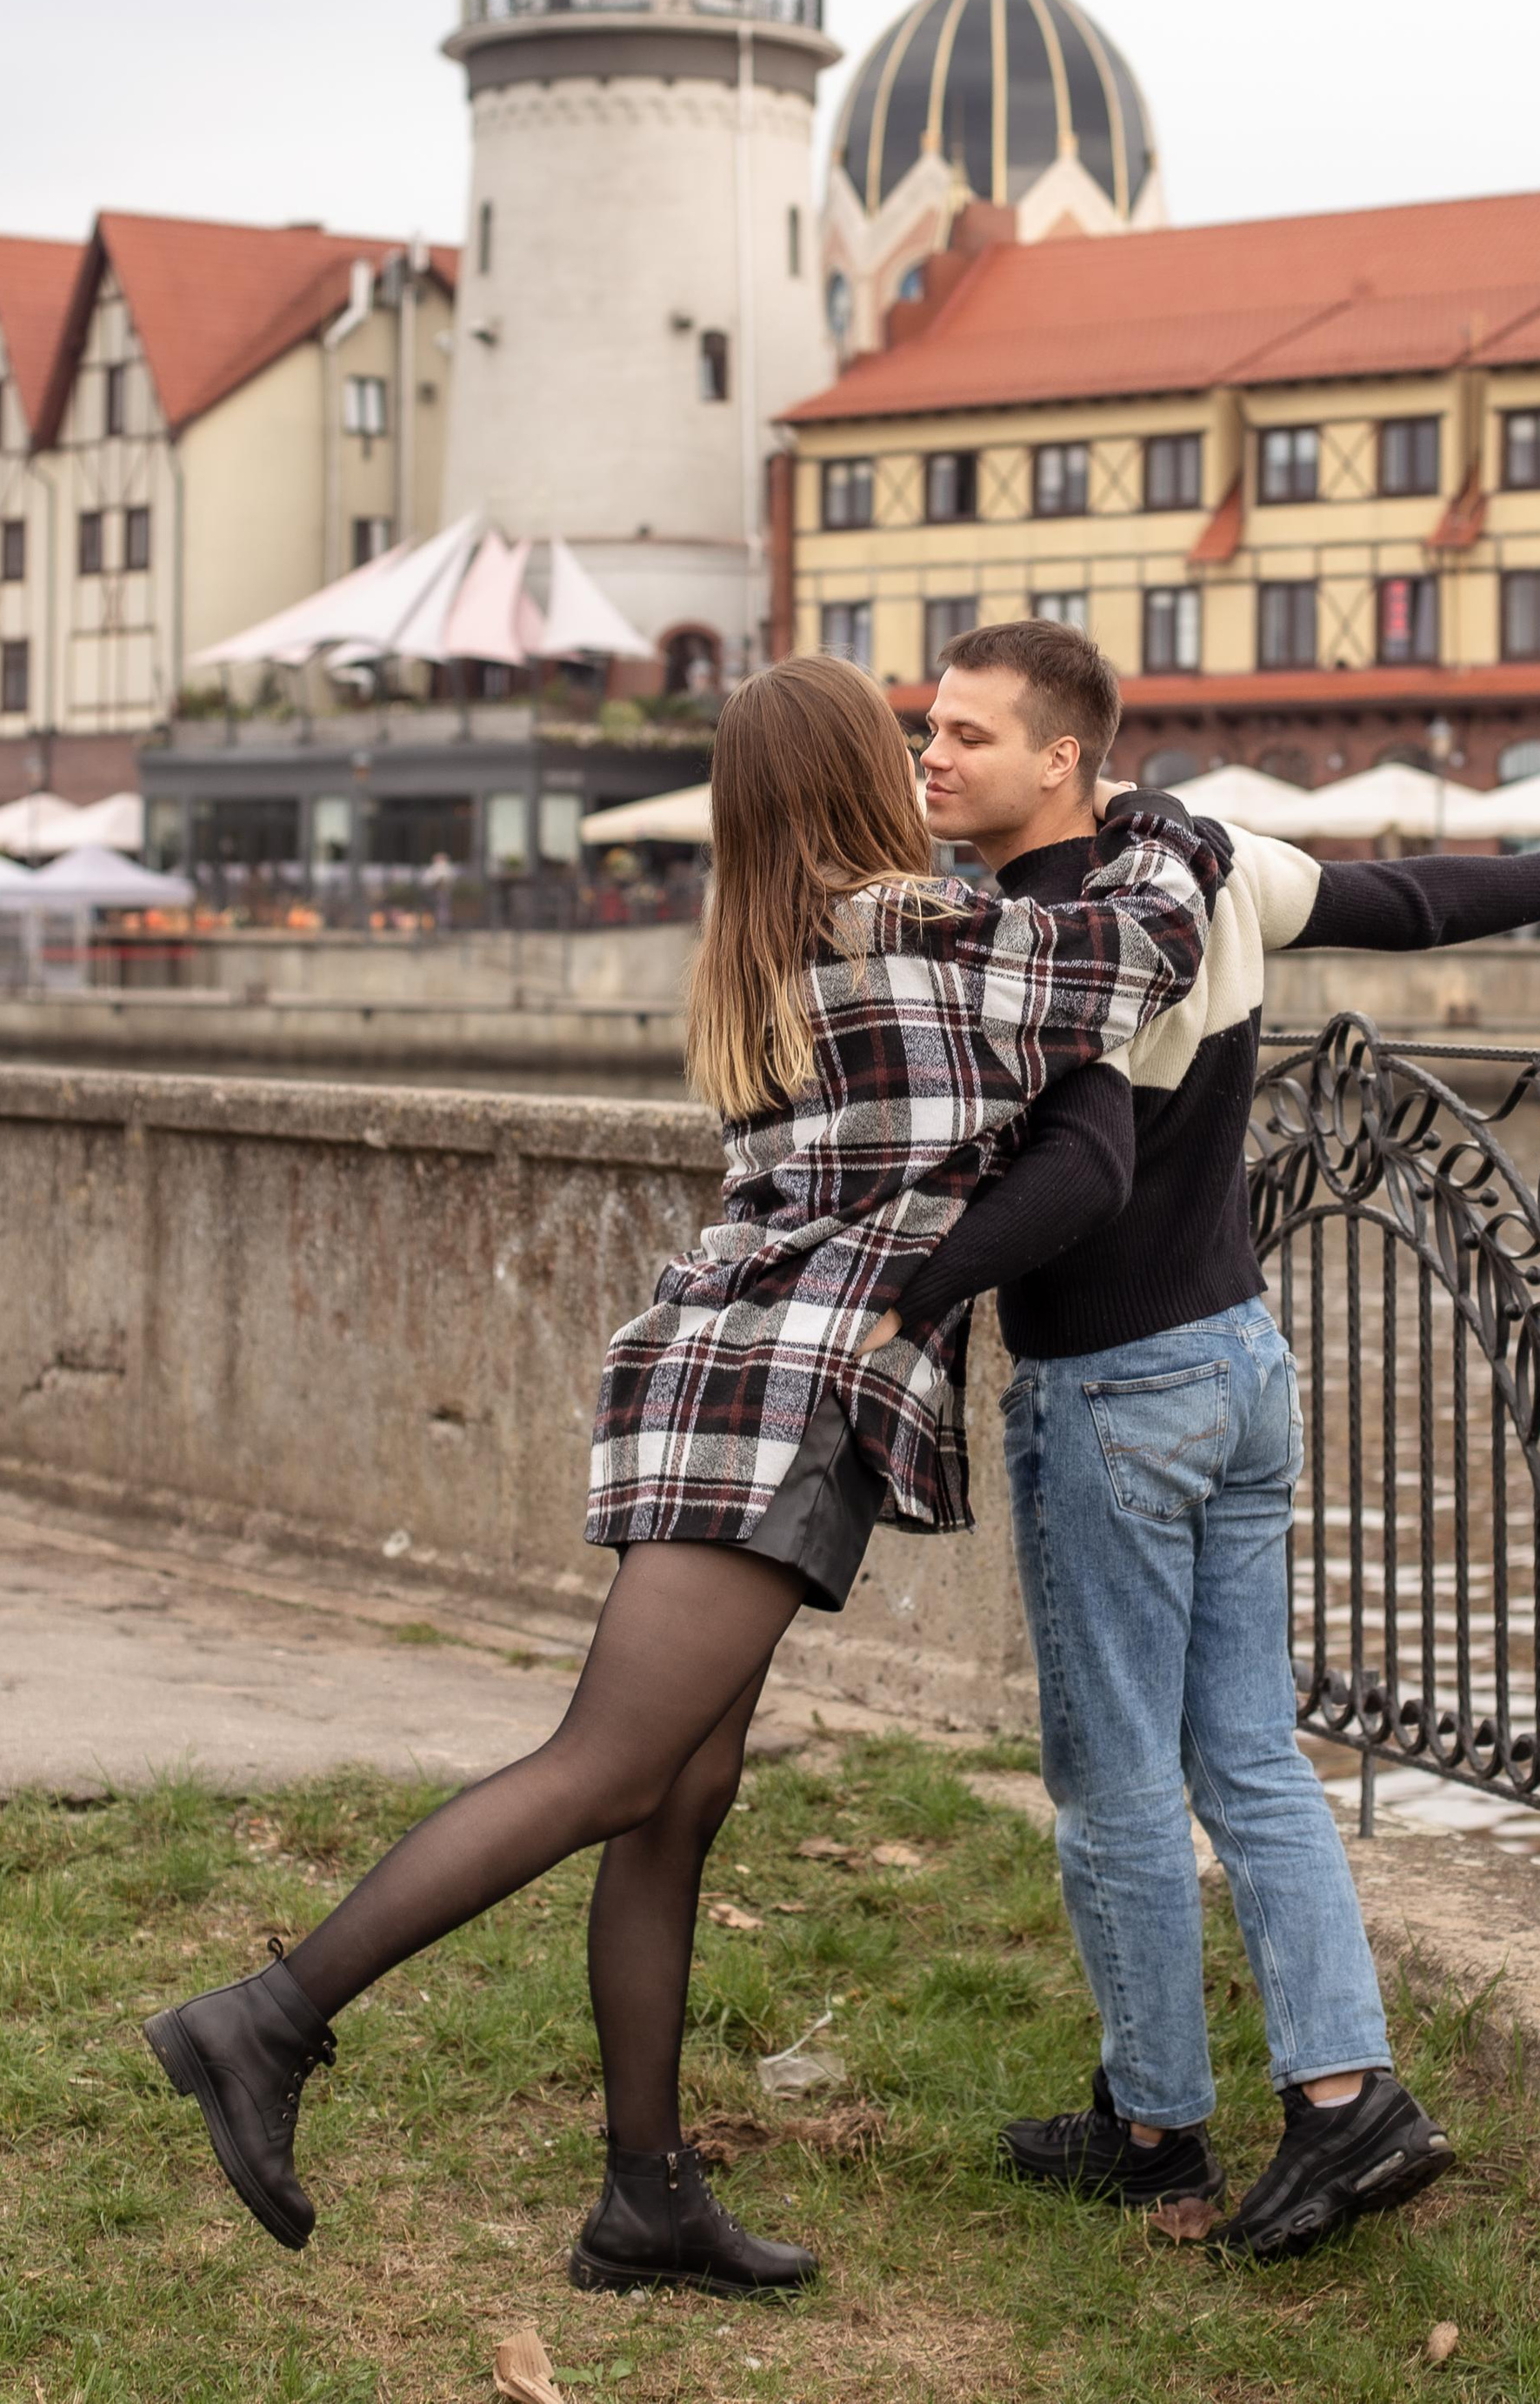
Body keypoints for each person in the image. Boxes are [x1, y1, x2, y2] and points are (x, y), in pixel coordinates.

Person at [142, 652, 1230, 2294]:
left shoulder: (766, 942)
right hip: (784, 1402)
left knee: (676, 1793)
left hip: (714, 1379)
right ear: (860, 784)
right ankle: (269, 2021)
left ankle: (646, 2199)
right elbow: (1140, 952)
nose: (927, 759)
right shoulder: (911, 931)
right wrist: (1153, 817)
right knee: (605, 1767)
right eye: (901, 744)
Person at [863, 620, 1540, 2261]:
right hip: (1244, 1361)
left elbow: (1085, 1173)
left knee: (1111, 1777)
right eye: (925, 734)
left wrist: (909, 1295)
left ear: (1063, 759)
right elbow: (1402, 903)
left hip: (1114, 1386)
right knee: (1247, 1751)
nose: (932, 761)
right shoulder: (1205, 857)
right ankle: (1340, 2101)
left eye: (967, 737)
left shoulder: (1060, 935)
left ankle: (1160, 2130)